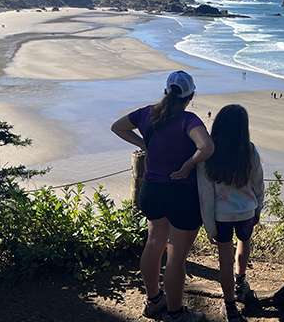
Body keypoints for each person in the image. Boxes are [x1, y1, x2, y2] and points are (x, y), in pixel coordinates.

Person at [111, 70, 214, 322]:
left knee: (154, 244)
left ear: (167, 91)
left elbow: (117, 127)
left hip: (151, 192)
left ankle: (154, 301)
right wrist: (189, 163)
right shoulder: (188, 120)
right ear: (190, 96)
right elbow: (207, 147)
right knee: (176, 256)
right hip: (182, 195)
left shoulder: (147, 113)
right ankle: (176, 314)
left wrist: (143, 143)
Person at [197, 105, 264, 322]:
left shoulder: (209, 154)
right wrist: (258, 208)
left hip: (221, 215)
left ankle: (230, 307)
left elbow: (205, 195)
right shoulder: (250, 151)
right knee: (245, 242)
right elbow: (258, 184)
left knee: (224, 261)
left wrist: (209, 226)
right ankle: (240, 282)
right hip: (246, 211)